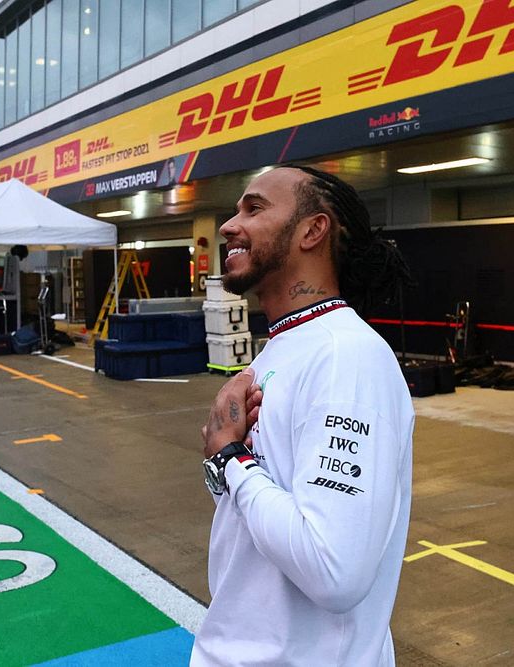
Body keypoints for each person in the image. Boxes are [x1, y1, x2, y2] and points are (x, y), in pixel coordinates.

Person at [193, 165, 415, 666]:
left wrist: (231, 458)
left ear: (313, 231)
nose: (229, 225)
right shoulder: (283, 348)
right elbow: (256, 510)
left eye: (254, 208)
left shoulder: (346, 356)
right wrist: (221, 459)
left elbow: (333, 572)